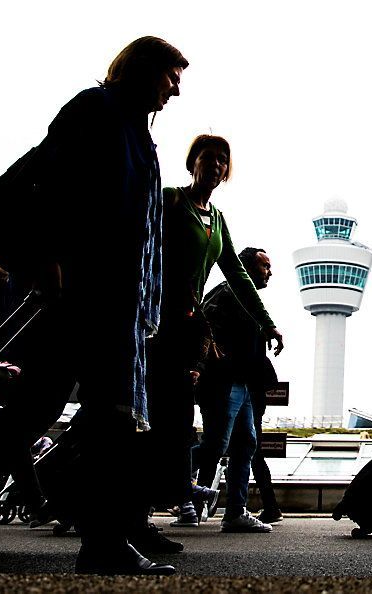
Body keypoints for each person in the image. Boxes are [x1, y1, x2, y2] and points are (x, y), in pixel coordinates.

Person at [0, 36, 189, 575]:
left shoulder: (135, 133)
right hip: (90, 296)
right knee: (93, 420)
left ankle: (102, 542)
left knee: (48, 416)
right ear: (143, 70)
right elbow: (49, 184)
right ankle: (103, 544)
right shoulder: (95, 110)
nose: (176, 89)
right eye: (171, 76)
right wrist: (43, 255)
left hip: (111, 301)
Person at [141, 137, 284, 539]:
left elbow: (236, 274)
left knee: (178, 421)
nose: (217, 165)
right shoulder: (170, 200)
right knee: (156, 417)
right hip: (157, 320)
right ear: (193, 163)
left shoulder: (217, 219)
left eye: (224, 160)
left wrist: (267, 321)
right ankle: (166, 501)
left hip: (185, 329)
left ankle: (168, 502)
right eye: (209, 158)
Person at [180, 247, 283, 532]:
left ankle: (236, 512)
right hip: (224, 382)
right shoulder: (227, 294)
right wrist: (200, 365)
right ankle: (160, 474)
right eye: (264, 266)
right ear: (246, 269)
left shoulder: (245, 298)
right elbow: (204, 330)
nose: (269, 272)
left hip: (242, 383)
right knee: (216, 444)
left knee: (245, 443)